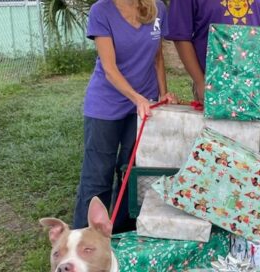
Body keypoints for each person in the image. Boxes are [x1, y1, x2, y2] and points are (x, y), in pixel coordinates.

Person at [72, 0, 177, 233]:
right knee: (98, 175)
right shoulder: (101, 11)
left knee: (132, 173)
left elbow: (158, 58)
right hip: (105, 105)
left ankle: (122, 234)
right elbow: (109, 69)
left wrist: (162, 94)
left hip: (142, 105)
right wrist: (136, 97)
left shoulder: (157, 8)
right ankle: (83, 238)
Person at [164, 0, 260, 101]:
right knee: (214, 128)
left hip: (254, 80)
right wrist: (200, 82)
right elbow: (181, 36)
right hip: (212, 81)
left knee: (254, 127)